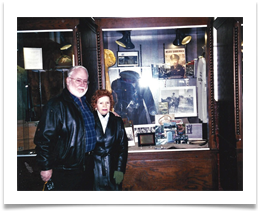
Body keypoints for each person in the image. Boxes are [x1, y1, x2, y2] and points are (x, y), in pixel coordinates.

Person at [34, 65, 96, 191]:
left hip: (88, 165)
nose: (82, 84)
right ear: (68, 81)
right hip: (66, 170)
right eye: (78, 80)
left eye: (85, 81)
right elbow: (43, 139)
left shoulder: (86, 103)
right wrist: (45, 167)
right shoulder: (56, 105)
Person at [91, 89, 128, 191]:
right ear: (95, 105)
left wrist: (120, 170)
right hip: (94, 171)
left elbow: (122, 148)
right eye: (101, 103)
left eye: (107, 102)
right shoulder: (89, 120)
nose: (104, 106)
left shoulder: (117, 121)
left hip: (114, 169)